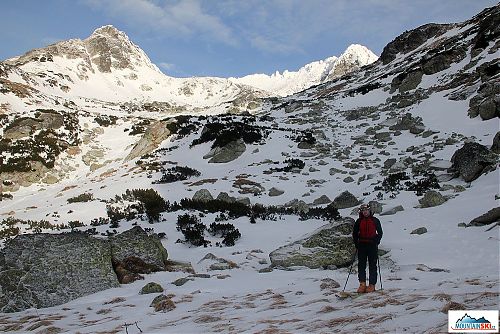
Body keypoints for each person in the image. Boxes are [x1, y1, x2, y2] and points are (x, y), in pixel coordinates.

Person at [352, 203, 383, 293]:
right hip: (362, 245)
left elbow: (380, 233)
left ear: (369, 211)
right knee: (361, 265)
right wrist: (356, 243)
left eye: (366, 210)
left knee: (372, 265)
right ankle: (362, 284)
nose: (365, 212)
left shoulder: (375, 220)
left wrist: (376, 241)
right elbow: (355, 233)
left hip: (372, 246)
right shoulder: (359, 221)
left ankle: (372, 285)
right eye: (363, 211)